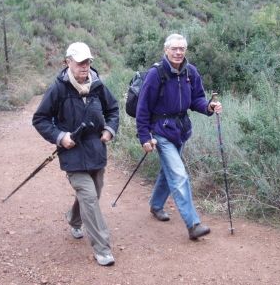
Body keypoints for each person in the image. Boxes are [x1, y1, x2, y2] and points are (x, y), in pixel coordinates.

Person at [32, 42, 120, 266]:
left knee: (94, 193)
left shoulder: (98, 86)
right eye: (80, 62)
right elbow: (40, 119)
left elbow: (113, 110)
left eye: (88, 61)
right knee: (89, 197)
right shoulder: (58, 89)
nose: (84, 66)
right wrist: (60, 136)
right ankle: (102, 248)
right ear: (68, 62)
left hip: (96, 151)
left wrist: (109, 131)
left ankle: (73, 218)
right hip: (72, 154)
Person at [135, 33, 222, 241]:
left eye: (181, 49)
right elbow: (142, 108)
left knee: (169, 172)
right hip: (161, 131)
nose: (178, 52)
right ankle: (193, 224)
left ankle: (156, 206)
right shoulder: (156, 74)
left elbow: (197, 99)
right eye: (174, 49)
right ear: (166, 50)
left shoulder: (190, 72)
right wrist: (144, 137)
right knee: (179, 174)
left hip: (181, 130)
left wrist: (209, 106)